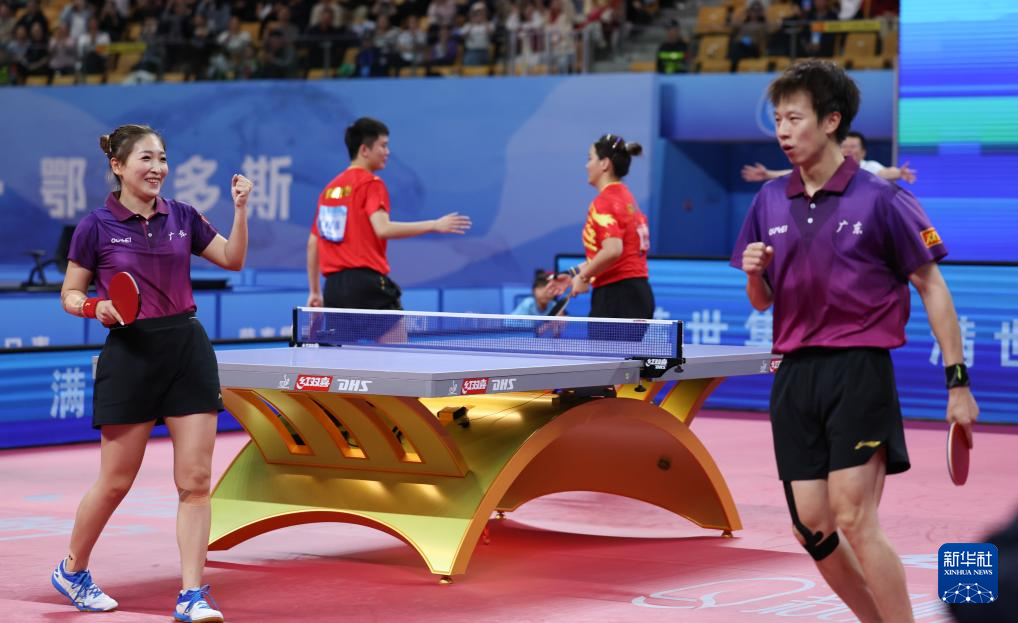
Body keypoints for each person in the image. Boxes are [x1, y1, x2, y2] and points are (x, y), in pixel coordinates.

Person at [731, 60, 979, 623]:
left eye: (795, 118)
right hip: (794, 373)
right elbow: (762, 302)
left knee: (853, 517)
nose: (783, 130)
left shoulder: (881, 198)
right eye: (778, 119)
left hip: (858, 369)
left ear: (831, 121)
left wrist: (957, 382)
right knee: (812, 528)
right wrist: (753, 274)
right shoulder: (769, 200)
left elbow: (932, 287)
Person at [54, 124, 251, 622]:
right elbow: (70, 294)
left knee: (196, 480)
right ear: (118, 166)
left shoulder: (183, 216)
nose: (158, 167)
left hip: (186, 348)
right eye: (146, 158)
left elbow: (232, 258)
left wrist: (241, 209)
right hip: (131, 353)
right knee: (116, 481)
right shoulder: (95, 226)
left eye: (162, 158)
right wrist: (93, 307)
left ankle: (192, 593)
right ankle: (73, 570)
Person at [307, 117, 471, 310]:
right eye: (383, 146)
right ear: (364, 150)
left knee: (349, 334)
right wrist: (434, 225)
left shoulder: (328, 191)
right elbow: (383, 228)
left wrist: (315, 292)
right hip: (366, 284)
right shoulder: (371, 183)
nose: (387, 152)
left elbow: (313, 244)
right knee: (399, 331)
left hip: (333, 289)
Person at [557, 133, 654, 320]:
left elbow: (612, 250)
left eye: (590, 158)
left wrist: (584, 277)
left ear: (604, 164)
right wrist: (573, 274)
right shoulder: (626, 198)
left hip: (617, 296)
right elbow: (611, 255)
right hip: (636, 293)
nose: (586, 165)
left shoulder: (605, 202)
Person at [742, 131, 917, 184]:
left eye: (853, 147)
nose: (848, 150)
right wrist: (767, 174)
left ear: (863, 152)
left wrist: (899, 173)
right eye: (844, 146)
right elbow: (794, 174)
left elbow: (884, 172)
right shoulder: (829, 168)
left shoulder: (868, 167)